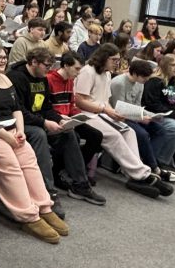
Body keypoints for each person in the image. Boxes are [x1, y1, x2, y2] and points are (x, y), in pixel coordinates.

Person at [0, 42, 69, 244]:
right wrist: (6, 135)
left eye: (4, 57)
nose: (3, 61)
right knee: (11, 166)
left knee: (29, 161)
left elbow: (16, 108)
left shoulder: (4, 78)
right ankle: (28, 215)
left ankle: (44, 207)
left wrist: (19, 131)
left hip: (10, 130)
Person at [7, 47, 106, 206]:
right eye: (46, 65)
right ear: (34, 62)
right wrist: (45, 122)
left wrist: (60, 120)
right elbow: (18, 111)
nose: (49, 69)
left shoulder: (42, 79)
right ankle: (47, 190)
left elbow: (46, 108)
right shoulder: (16, 78)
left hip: (38, 120)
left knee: (69, 132)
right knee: (39, 134)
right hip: (19, 123)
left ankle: (80, 184)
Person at [72, 45, 171, 198]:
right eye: (114, 60)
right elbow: (79, 101)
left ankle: (134, 174)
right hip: (86, 114)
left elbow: (106, 101)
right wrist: (106, 110)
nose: (117, 64)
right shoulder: (88, 71)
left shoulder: (107, 74)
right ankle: (142, 174)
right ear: (103, 57)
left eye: (118, 60)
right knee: (114, 136)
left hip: (100, 112)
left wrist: (114, 113)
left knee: (129, 131)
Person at [46, 52, 104, 185]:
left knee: (96, 136)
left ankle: (75, 170)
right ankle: (58, 173)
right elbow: (47, 108)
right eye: (76, 69)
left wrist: (78, 115)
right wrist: (61, 117)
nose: (78, 73)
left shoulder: (70, 81)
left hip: (69, 118)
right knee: (72, 137)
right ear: (66, 65)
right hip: (56, 119)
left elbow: (71, 104)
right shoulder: (49, 79)